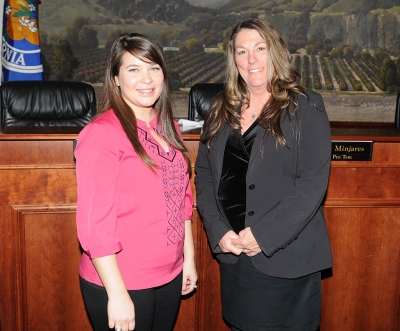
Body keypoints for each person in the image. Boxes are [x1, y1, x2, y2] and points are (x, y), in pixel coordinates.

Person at [195, 18, 332, 331]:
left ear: (277, 52)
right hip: (235, 259)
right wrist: (218, 230)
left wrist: (263, 235)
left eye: (259, 48)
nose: (251, 59)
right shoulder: (221, 107)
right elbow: (204, 174)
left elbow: (312, 185)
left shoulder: (305, 107)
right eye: (242, 52)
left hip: (284, 260)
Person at [75, 33, 197, 331]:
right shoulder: (101, 134)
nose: (146, 79)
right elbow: (95, 225)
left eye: (153, 68)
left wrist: (188, 260)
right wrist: (117, 294)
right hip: (121, 282)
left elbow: (182, 202)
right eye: (133, 69)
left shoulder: (169, 127)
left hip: (169, 275)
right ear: (116, 78)